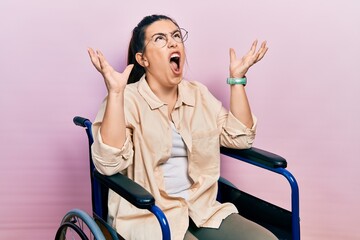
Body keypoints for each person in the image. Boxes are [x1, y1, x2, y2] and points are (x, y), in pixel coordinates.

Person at [88, 14, 276, 240]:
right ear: (143, 59)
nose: (173, 42)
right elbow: (108, 164)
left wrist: (237, 80)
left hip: (200, 208)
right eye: (159, 38)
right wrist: (116, 94)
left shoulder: (198, 94)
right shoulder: (126, 100)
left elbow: (241, 137)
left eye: (176, 35)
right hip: (150, 215)